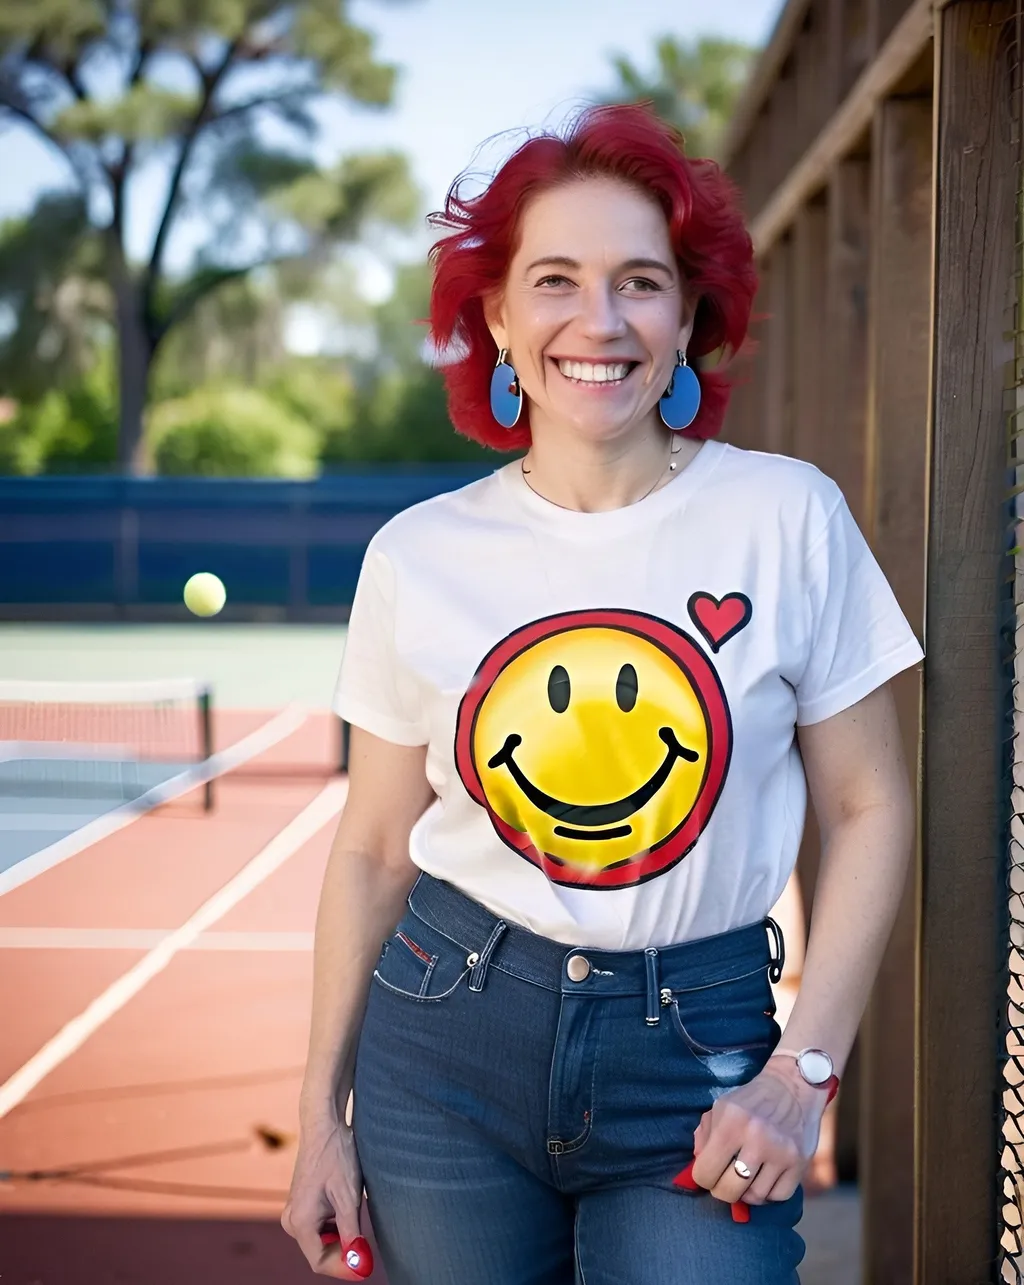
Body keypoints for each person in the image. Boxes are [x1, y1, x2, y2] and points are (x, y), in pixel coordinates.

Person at [282, 103, 923, 1284]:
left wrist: (805, 1074)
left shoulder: (786, 517)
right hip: (446, 1033)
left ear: (687, 319)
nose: (599, 320)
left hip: (697, 1044)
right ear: (497, 320)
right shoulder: (416, 555)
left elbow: (874, 807)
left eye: (640, 282)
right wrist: (320, 1113)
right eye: (555, 281)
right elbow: (373, 848)